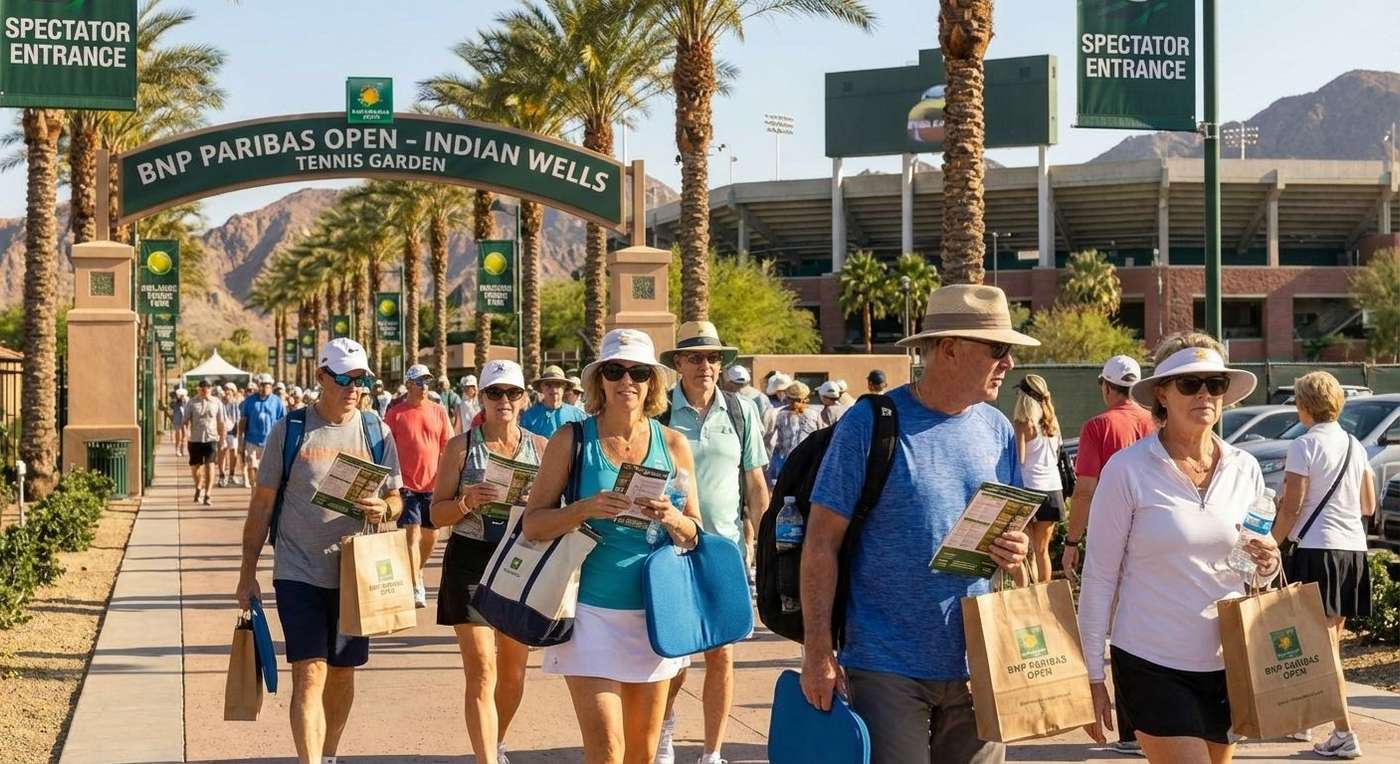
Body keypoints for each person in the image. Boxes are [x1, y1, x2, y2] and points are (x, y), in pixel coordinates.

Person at [800, 284, 1035, 764]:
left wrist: (1016, 552)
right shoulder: (871, 422)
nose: (1009, 363)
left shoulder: (998, 430)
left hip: (980, 662)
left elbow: (1010, 537)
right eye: (999, 350)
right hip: (886, 663)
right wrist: (817, 652)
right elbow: (821, 541)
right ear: (949, 349)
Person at [1079, 333, 1281, 764]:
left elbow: (1251, 570)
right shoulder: (1127, 470)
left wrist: (1268, 561)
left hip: (1229, 664)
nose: (1204, 393)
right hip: (1151, 662)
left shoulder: (1244, 469)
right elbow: (1097, 578)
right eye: (1190, 384)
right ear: (1162, 395)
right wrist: (1092, 675)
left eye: (1215, 384)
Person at [523, 329, 702, 764]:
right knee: (606, 749)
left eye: (638, 371)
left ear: (652, 382)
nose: (628, 380)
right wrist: (585, 508)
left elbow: (696, 532)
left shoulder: (673, 443)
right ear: (599, 379)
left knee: (642, 752)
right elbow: (533, 524)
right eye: (615, 370)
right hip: (589, 612)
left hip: (655, 614)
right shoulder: (573, 439)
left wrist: (673, 518)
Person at [235, 338, 403, 764]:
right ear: (321, 377)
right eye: (343, 378)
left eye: (360, 379)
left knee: (343, 675)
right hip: (297, 570)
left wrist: (385, 506)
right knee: (310, 673)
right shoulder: (290, 430)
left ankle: (328, 755)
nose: (352, 387)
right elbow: (262, 505)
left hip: (354, 571)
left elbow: (398, 497)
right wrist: (246, 573)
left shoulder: (376, 431)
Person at [655, 322, 770, 764]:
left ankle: (712, 752)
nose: (705, 365)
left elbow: (756, 484)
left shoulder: (741, 412)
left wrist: (768, 541)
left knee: (721, 653)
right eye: (696, 357)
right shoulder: (661, 414)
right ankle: (664, 732)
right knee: (673, 653)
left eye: (713, 358)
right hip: (670, 549)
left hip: (725, 553)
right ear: (678, 364)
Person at [430, 360, 542, 764]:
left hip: (519, 560)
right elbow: (435, 513)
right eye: (495, 393)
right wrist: (465, 502)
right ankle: (486, 760)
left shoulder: (541, 448)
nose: (504, 401)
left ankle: (497, 740)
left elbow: (553, 508)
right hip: (470, 559)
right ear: (481, 398)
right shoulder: (461, 447)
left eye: (512, 393)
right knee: (481, 670)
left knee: (513, 674)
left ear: (524, 399)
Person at [1271, 371, 1374, 758]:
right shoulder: (1354, 444)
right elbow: (1368, 505)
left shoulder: (1303, 445)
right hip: (1352, 552)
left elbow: (1292, 505)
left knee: (1321, 647)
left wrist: (1272, 542)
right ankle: (1310, 718)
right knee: (1327, 644)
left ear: (1303, 405)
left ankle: (1344, 732)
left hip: (1317, 551)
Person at [1058, 354, 1154, 754]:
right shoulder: (1157, 421)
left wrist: (1071, 542)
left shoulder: (1098, 426)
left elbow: (1084, 490)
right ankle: (1157, 727)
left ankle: (1132, 732)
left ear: (1105, 386)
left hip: (1113, 542)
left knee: (1122, 638)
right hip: (1155, 542)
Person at [386, 363, 455, 608]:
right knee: (412, 533)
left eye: (426, 381)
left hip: (433, 484)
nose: (424, 386)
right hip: (406, 484)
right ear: (408, 384)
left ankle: (417, 570)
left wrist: (451, 478)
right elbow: (387, 448)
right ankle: (416, 585)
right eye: (418, 381)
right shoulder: (395, 413)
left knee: (431, 536)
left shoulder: (438, 411)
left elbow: (448, 446)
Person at [1011, 375, 1063, 584]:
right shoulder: (1052, 423)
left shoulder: (1022, 423)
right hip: (1053, 490)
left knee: (1023, 551)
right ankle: (1044, 601)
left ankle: (1024, 598)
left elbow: (1020, 459)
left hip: (1029, 489)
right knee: (1042, 551)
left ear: (1023, 397)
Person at [766, 380, 821, 482]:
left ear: (788, 398)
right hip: (809, 462)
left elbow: (770, 441)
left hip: (786, 463)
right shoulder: (815, 414)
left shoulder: (779, 414)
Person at [240, 374, 287, 489]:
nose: (265, 388)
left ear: (271, 386)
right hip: (251, 440)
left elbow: (283, 422)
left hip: (270, 442)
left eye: (267, 385)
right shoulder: (250, 401)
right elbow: (243, 421)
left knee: (266, 470)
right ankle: (253, 486)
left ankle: (260, 489)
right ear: (258, 386)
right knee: (252, 465)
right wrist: (241, 439)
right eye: (262, 385)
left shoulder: (277, 402)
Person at [184, 379, 225, 506]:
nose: (204, 389)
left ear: (211, 388)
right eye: (202, 387)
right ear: (198, 388)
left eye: (207, 386)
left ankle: (208, 494)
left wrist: (222, 440)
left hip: (211, 438)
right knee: (195, 467)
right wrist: (187, 435)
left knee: (210, 465)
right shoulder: (191, 403)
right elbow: (185, 421)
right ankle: (198, 487)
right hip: (195, 439)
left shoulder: (217, 403)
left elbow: (221, 423)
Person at [520, 364, 586, 438]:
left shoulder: (578, 416)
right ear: (541, 388)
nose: (554, 389)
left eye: (558, 384)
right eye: (548, 385)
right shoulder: (529, 417)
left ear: (564, 387)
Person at [219, 383, 243, 488]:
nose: (227, 391)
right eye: (225, 389)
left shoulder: (236, 404)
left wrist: (238, 435)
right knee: (222, 453)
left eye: (229, 390)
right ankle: (221, 475)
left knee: (234, 454)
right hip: (221, 433)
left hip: (232, 432)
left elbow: (238, 420)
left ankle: (232, 475)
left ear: (234, 392)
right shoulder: (219, 403)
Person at [172, 387, 189, 456]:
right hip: (177, 420)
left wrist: (186, 400)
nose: (182, 397)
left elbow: (188, 410)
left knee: (184, 435)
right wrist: (178, 400)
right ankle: (177, 450)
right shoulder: (175, 403)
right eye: (181, 396)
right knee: (178, 434)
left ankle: (182, 450)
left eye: (183, 396)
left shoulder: (186, 402)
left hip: (184, 420)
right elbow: (172, 405)